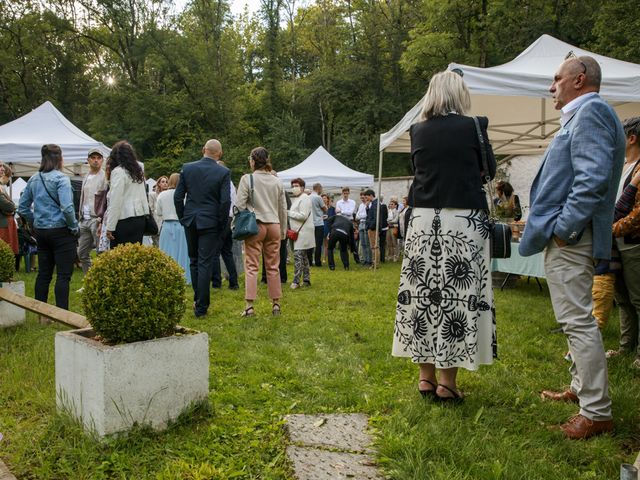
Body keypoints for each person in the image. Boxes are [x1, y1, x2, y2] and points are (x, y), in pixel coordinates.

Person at [519, 54, 625, 439]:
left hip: (572, 238)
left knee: (578, 321)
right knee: (577, 319)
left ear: (579, 80)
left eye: (557, 78)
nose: (552, 87)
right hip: (575, 236)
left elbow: (592, 180)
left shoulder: (591, 113)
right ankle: (583, 390)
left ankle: (596, 411)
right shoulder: (589, 113)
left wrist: (564, 229)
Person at [391, 71, 497, 404]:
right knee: (458, 298)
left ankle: (426, 377)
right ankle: (447, 382)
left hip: (423, 220)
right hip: (462, 220)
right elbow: (490, 171)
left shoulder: (417, 131)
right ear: (459, 94)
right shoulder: (474, 126)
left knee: (423, 297)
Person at [18, 144, 79, 310]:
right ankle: (61, 313)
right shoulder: (61, 179)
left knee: (43, 274)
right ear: (59, 158)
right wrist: (74, 227)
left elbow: (22, 207)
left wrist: (34, 221)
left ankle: (41, 313)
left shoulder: (34, 178)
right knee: (63, 275)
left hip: (41, 232)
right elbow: (67, 207)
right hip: (61, 231)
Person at [174, 139, 230, 318]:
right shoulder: (223, 172)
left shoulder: (187, 168)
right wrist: (222, 223)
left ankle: (198, 299)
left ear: (203, 150)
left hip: (191, 219)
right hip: (210, 221)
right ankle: (201, 306)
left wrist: (183, 216)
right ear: (219, 154)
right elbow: (225, 202)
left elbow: (177, 197)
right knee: (205, 261)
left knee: (194, 260)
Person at [236, 147, 287, 316]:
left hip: (255, 225)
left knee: (251, 266)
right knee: (273, 266)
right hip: (274, 225)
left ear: (252, 161)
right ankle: (276, 304)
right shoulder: (277, 181)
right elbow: (282, 208)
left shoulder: (247, 179)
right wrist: (283, 229)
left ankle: (249, 306)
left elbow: (239, 205)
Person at [606, 117, 640, 369]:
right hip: (614, 241)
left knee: (638, 299)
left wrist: (610, 229)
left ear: (631, 138)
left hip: (632, 242)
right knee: (623, 299)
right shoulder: (621, 165)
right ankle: (625, 347)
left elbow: (637, 215)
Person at [104, 141, 149, 248]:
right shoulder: (138, 172)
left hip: (124, 220)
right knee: (135, 256)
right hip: (140, 218)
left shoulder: (118, 172)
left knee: (120, 258)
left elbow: (116, 201)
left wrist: (110, 227)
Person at [156, 173, 191, 285]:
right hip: (180, 225)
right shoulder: (184, 195)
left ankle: (166, 277)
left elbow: (159, 212)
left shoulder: (162, 195)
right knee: (182, 252)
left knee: (166, 252)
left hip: (166, 226)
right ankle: (184, 277)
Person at [76, 148, 107, 273]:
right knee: (82, 253)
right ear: (88, 160)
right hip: (84, 219)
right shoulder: (86, 176)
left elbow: (106, 199)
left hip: (97, 219)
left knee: (101, 253)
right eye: (93, 158)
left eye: (99, 158)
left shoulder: (105, 176)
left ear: (102, 160)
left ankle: (101, 282)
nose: (96, 160)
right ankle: (89, 281)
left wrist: (101, 219)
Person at [211, 160, 238, 291]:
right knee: (227, 252)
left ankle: (216, 282)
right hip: (230, 218)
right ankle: (233, 281)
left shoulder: (222, 183)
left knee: (215, 251)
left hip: (222, 218)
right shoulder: (231, 184)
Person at [288, 178, 314, 289]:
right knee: (303, 257)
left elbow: (303, 215)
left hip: (303, 232)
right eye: (293, 185)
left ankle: (296, 281)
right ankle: (306, 279)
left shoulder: (305, 198)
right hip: (298, 231)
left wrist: (289, 213)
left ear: (302, 187)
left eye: (297, 185)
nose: (294, 187)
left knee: (298, 256)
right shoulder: (298, 198)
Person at [0, 161, 19, 258]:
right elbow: (9, 206)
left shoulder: (1, 187)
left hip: (4, 223)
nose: (2, 168)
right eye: (0, 166)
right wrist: (11, 205)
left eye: (3, 166)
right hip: (2, 224)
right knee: (3, 251)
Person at [308, 182, 326, 267]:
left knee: (310, 243)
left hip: (310, 223)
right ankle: (318, 262)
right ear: (318, 188)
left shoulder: (308, 197)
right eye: (321, 189)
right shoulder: (318, 197)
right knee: (318, 243)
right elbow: (325, 209)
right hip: (319, 222)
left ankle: (309, 261)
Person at [148, 175, 168, 247]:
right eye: (163, 182)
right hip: (157, 224)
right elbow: (151, 210)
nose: (165, 183)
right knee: (158, 246)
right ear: (159, 183)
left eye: (166, 182)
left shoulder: (168, 195)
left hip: (166, 223)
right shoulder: (152, 195)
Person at [356, 191, 371, 266]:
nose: (362, 198)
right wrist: (361, 215)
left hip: (365, 223)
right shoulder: (361, 205)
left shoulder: (369, 204)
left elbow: (366, 215)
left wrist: (361, 215)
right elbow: (357, 216)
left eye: (364, 197)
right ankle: (365, 260)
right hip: (360, 224)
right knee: (362, 243)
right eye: (361, 197)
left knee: (367, 243)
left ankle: (369, 260)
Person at [386, 197, 400, 262]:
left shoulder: (397, 211)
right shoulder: (388, 211)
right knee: (389, 243)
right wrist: (388, 221)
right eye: (390, 204)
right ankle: (390, 255)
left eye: (392, 204)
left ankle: (396, 256)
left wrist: (389, 221)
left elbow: (396, 220)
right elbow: (386, 218)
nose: (390, 205)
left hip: (394, 227)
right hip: (388, 228)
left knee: (394, 243)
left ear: (395, 205)